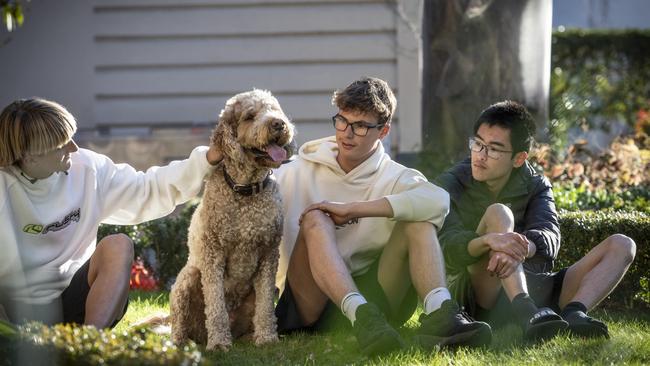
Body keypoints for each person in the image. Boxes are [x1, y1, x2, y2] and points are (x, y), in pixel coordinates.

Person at [273, 77, 491, 356]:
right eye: (342, 120)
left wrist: (354, 209)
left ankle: (442, 314)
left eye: (361, 126)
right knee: (316, 217)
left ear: (383, 131)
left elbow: (438, 202)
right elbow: (229, 186)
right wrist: (210, 157)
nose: (347, 133)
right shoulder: (297, 170)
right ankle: (361, 316)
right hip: (310, 303)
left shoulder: (396, 176)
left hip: (376, 300)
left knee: (418, 217)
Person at [0, 98, 222, 328]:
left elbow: (148, 189)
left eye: (70, 138)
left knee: (118, 245)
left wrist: (206, 160)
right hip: (14, 311)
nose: (73, 148)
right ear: (29, 156)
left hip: (79, 304)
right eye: (60, 145)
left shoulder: (87, 168)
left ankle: (90, 345)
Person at [435, 100, 636, 341]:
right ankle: (525, 310)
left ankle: (575, 314)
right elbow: (447, 246)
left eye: (494, 149)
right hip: (480, 294)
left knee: (623, 245)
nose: (481, 155)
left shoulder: (537, 185)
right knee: (499, 213)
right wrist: (491, 241)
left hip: (537, 287)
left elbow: (550, 237)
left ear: (519, 158)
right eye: (478, 144)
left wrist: (518, 246)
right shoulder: (452, 182)